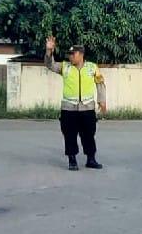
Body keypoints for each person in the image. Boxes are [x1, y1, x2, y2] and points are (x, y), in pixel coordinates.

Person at [45, 36, 108, 171]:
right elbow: (49, 65)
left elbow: (100, 83)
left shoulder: (92, 67)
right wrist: (49, 51)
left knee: (89, 135)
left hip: (87, 108)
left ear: (81, 55)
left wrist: (102, 100)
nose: (70, 57)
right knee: (69, 135)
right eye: (69, 54)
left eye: (73, 54)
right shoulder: (65, 67)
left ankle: (91, 159)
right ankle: (72, 160)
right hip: (69, 109)